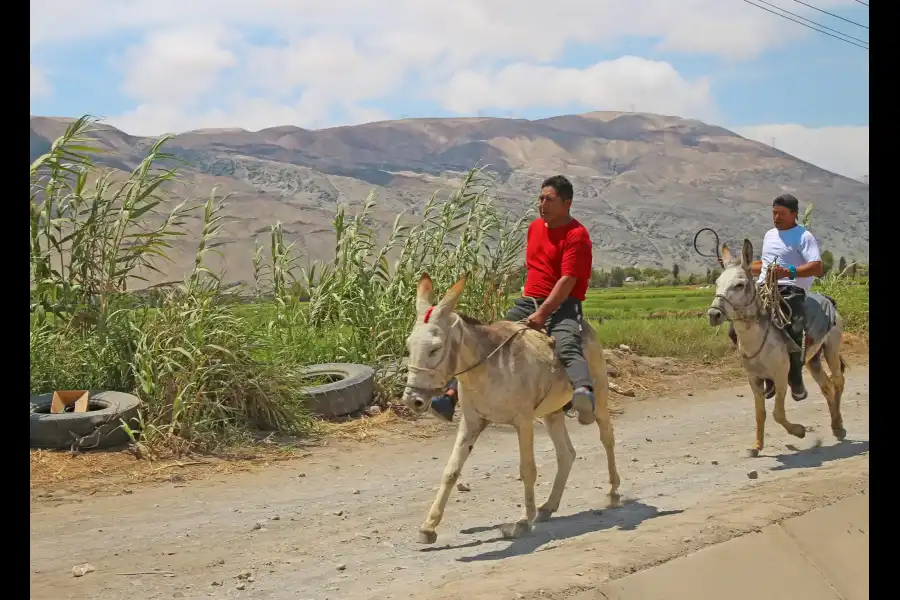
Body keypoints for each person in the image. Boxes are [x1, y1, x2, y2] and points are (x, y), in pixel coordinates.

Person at [430, 175, 597, 425]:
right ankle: (451, 395)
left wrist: (543, 314)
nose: (542, 204)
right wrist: (532, 305)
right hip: (528, 301)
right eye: (540, 198)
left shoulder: (577, 235)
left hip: (563, 305)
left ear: (567, 203)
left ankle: (583, 393)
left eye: (549, 200)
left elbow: (567, 280)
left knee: (566, 343)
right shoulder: (535, 228)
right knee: (487, 341)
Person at [725, 194, 824, 401]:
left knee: (793, 330)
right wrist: (736, 267)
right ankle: (767, 375)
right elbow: (764, 264)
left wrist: (787, 272)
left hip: (791, 290)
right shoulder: (770, 234)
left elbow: (817, 266)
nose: (776, 217)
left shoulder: (803, 236)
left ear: (794, 214)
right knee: (735, 328)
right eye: (774, 213)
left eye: (781, 214)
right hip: (762, 289)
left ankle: (795, 377)